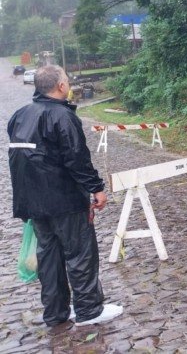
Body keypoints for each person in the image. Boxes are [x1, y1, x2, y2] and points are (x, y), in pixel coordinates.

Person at [7, 65, 123, 327]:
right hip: (65, 201)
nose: (68, 84)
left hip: (34, 205)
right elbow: (77, 158)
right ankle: (89, 310)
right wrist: (96, 188)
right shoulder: (62, 116)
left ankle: (56, 312)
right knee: (80, 254)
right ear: (61, 86)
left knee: (49, 258)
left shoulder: (19, 116)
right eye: (67, 81)